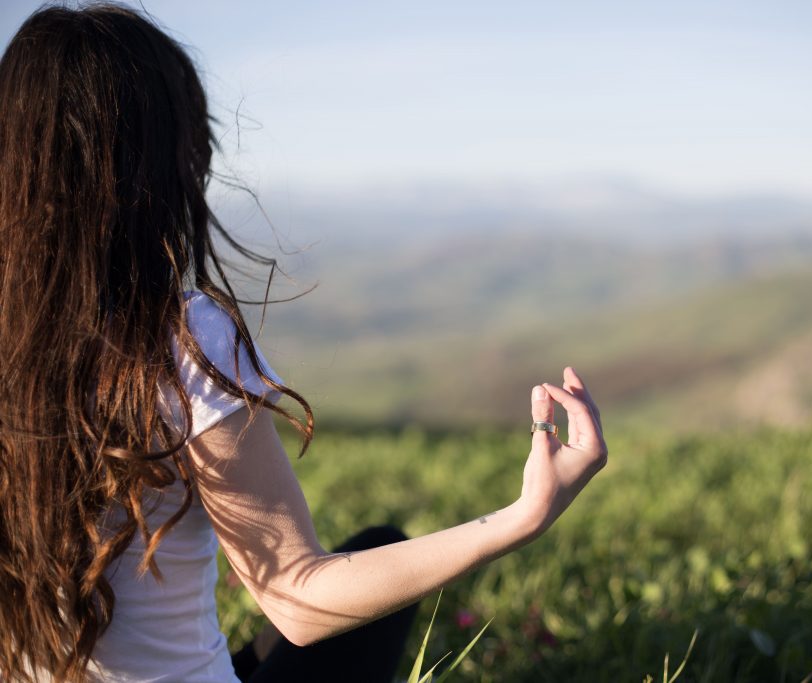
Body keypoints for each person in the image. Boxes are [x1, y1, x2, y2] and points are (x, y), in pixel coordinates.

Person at [0, 4, 608, 683]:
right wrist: (522, 516)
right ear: (156, 163)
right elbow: (297, 597)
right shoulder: (178, 338)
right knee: (378, 555)